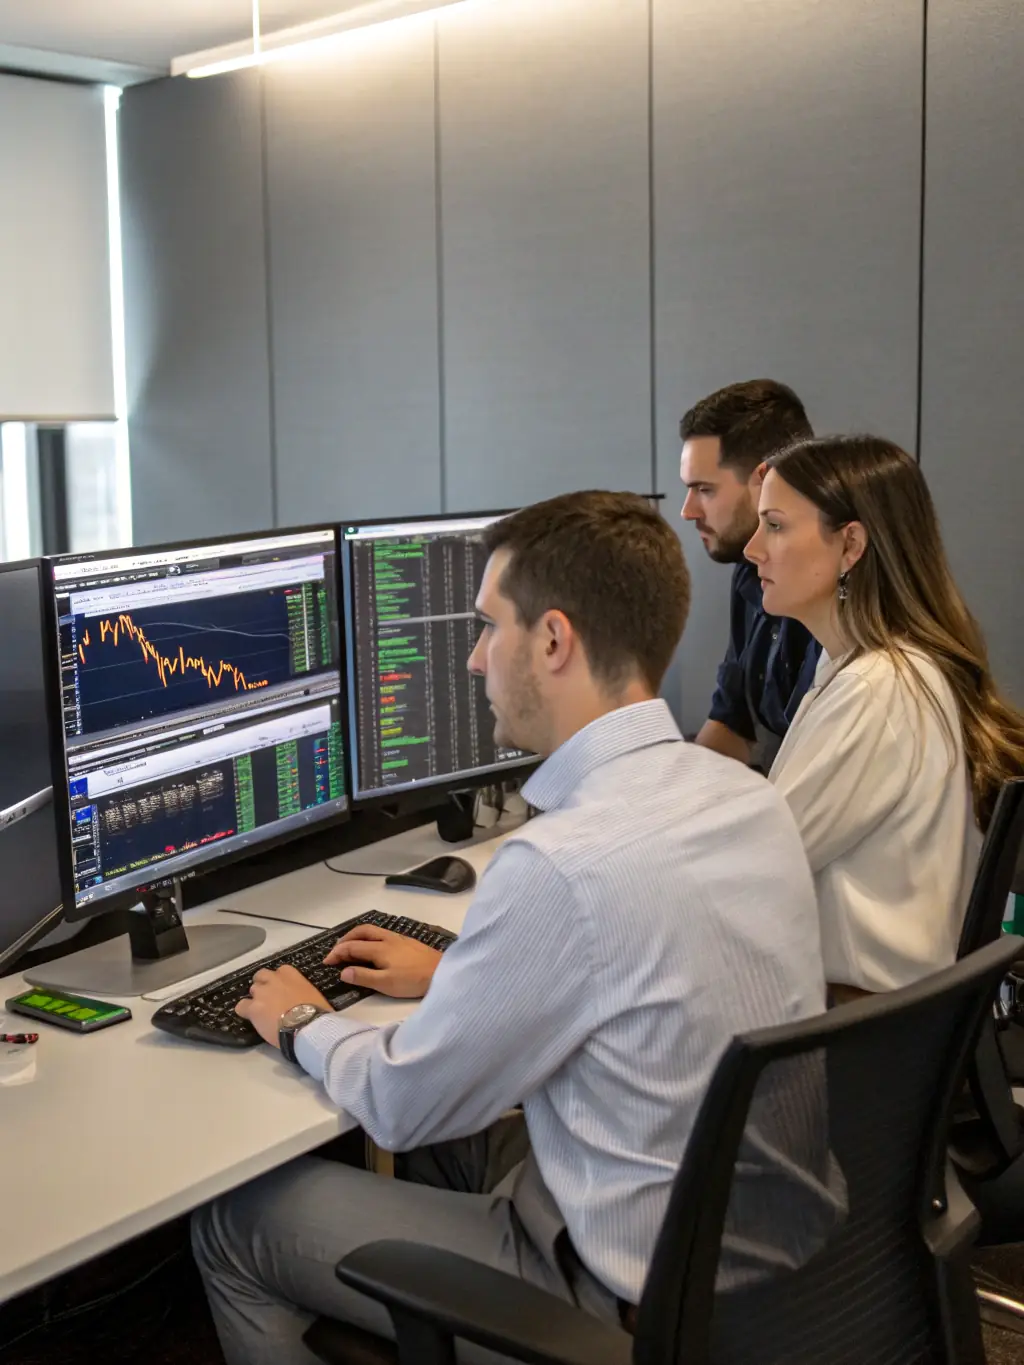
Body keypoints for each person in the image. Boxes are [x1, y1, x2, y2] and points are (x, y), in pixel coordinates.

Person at [192, 490, 841, 1365]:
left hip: (615, 1301)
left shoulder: (559, 864)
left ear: (553, 641)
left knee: (232, 1218)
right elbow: (640, 970)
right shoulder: (746, 798)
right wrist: (466, 969)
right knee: (451, 1143)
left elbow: (399, 1106)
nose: (471, 658)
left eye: (488, 625)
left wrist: (303, 1019)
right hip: (754, 1263)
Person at [745, 435, 1024, 1000]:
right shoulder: (868, 669)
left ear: (850, 546)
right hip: (873, 1027)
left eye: (774, 525)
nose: (753, 548)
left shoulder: (879, 691)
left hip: (847, 1038)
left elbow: (755, 868)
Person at [680, 379, 820, 768]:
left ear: (766, 480)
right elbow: (731, 726)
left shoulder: (834, 599)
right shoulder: (749, 573)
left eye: (704, 489)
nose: (687, 510)